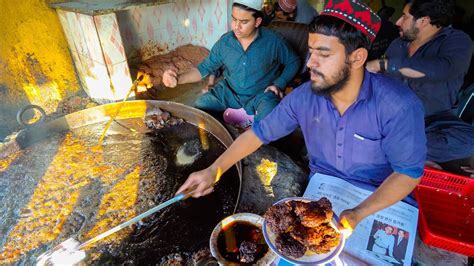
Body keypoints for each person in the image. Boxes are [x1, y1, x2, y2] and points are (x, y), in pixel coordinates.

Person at [177, 0, 427, 232]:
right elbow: (258, 134)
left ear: (357, 57)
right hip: (324, 191)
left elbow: (408, 173)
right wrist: (214, 170)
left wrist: (359, 213)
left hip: (379, 200)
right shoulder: (305, 97)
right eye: (310, 51)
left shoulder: (399, 105)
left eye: (324, 54)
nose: (310, 63)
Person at [366, 0, 474, 174]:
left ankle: (397, 149)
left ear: (423, 21)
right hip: (393, 121)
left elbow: (442, 69)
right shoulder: (398, 44)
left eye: (404, 16)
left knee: (470, 142)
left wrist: (384, 65)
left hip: (436, 120)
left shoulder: (457, 41)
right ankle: (407, 151)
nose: (397, 22)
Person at [162, 0, 300, 128]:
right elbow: (203, 68)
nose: (236, 27)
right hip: (230, 92)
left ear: (257, 21)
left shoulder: (273, 41)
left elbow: (294, 61)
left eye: (244, 22)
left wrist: (279, 83)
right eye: (234, 19)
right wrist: (178, 79)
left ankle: (252, 145)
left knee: (268, 121)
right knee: (201, 106)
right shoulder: (225, 42)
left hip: (261, 95)